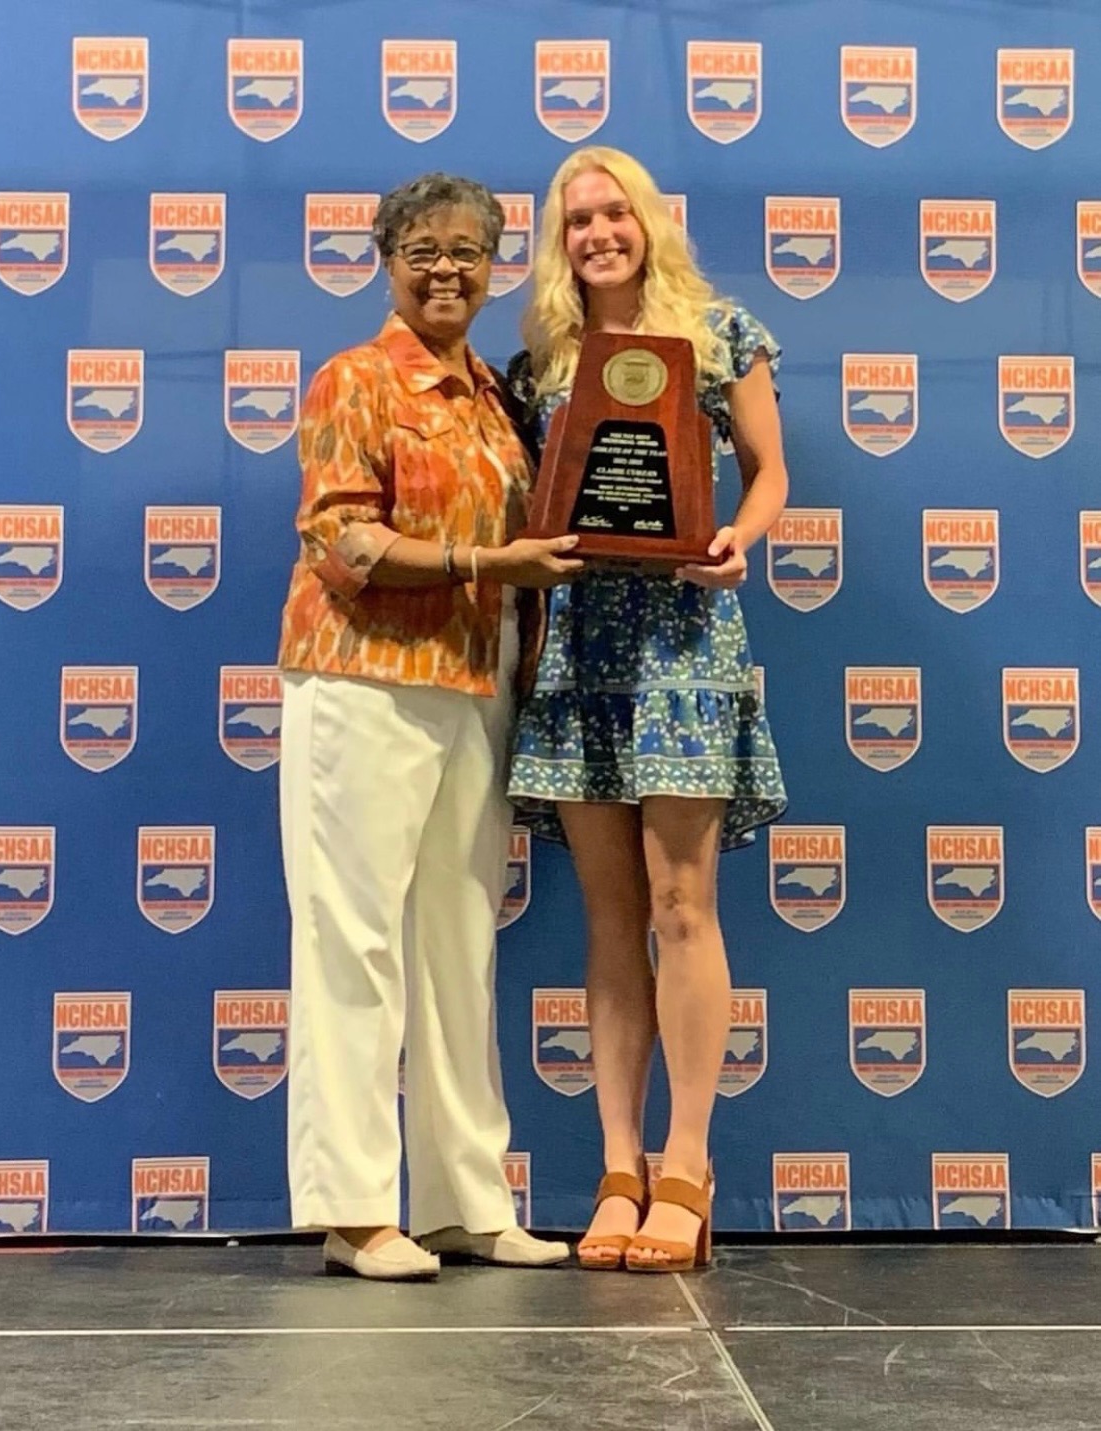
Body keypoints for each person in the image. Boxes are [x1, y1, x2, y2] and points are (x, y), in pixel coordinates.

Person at [278, 172, 580, 1280]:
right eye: (424, 250)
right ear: (387, 261)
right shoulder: (355, 378)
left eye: (468, 251)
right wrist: (483, 561)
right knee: (352, 937)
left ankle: (465, 1200)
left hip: (475, 678)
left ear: (495, 268)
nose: (447, 269)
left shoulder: (496, 393)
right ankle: (354, 1208)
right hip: (362, 676)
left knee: (460, 939)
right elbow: (343, 544)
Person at [506, 147, 789, 1272]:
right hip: (580, 647)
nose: (598, 234)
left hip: (684, 639)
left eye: (614, 212)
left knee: (683, 905)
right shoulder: (540, 362)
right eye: (577, 220)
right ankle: (617, 1168)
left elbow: (769, 473)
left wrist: (738, 542)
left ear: (650, 222)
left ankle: (687, 1163)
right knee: (610, 916)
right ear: (559, 239)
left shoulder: (722, 335)